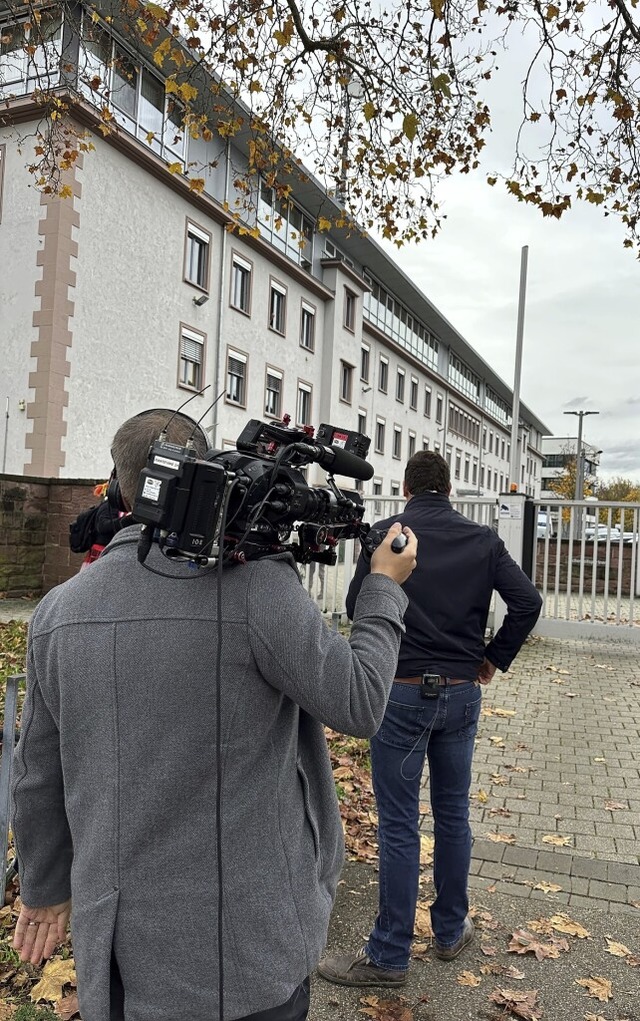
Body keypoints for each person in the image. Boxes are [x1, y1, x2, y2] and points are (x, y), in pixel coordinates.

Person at [11, 409, 418, 1021]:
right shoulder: (258, 589)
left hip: (122, 949)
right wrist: (384, 586)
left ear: (122, 486)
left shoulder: (57, 612)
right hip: (251, 950)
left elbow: (36, 772)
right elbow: (360, 701)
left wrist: (44, 891)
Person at [318, 450, 542, 988]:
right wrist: (493, 656)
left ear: (406, 488)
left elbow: (357, 606)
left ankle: (390, 956)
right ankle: (449, 932)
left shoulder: (384, 535)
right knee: (453, 815)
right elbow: (528, 602)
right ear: (449, 487)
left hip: (399, 692)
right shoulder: (483, 539)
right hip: (462, 694)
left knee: (398, 824)